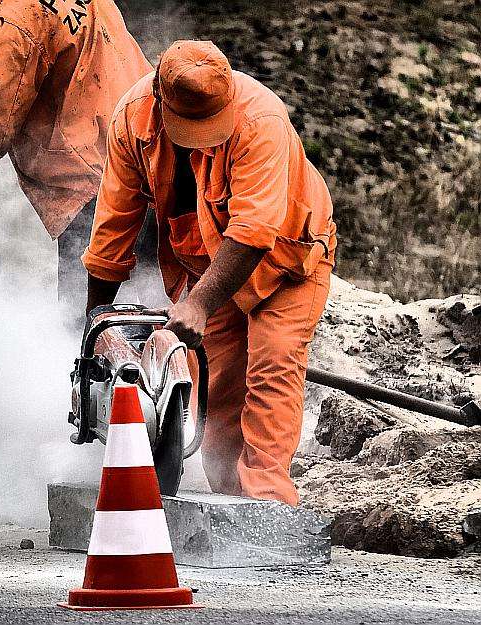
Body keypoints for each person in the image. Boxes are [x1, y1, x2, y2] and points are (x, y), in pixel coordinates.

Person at [83, 40, 337, 506]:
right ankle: (226, 503)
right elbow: (114, 226)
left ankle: (266, 508)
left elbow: (253, 230)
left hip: (286, 263)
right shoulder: (132, 119)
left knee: (273, 365)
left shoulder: (261, 119)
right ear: (160, 96)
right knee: (219, 392)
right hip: (207, 266)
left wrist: (198, 303)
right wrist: (95, 321)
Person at [0, 0, 154, 319]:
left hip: (95, 187)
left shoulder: (13, 18)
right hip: (154, 159)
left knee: (86, 339)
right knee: (151, 327)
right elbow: (71, 56)